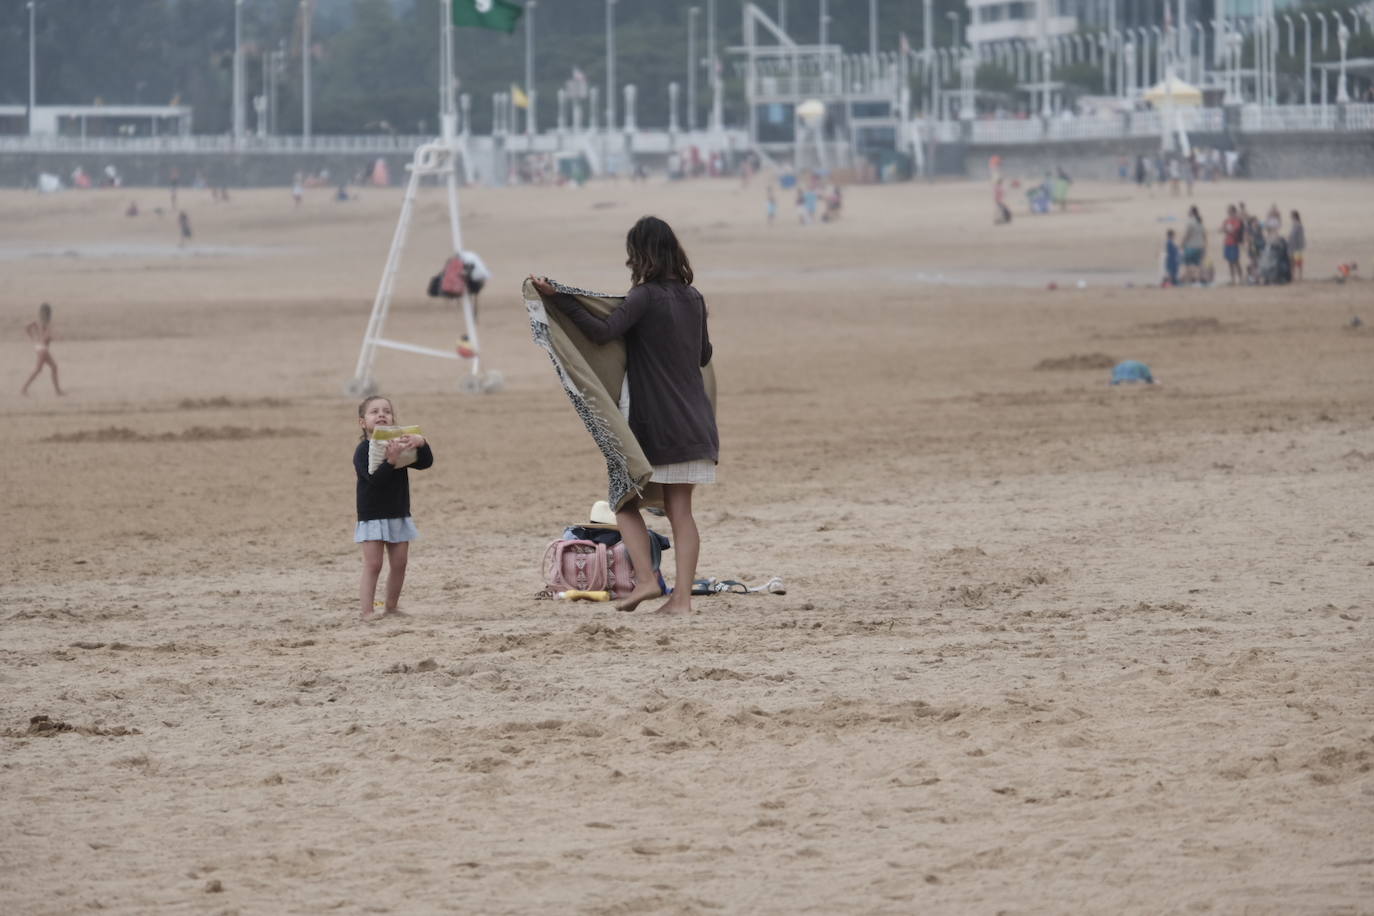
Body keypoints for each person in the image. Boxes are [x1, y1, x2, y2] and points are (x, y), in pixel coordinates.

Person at [529, 216, 718, 616]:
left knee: (622, 500)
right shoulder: (694, 297)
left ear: (640, 254)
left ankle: (647, 580)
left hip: (654, 421)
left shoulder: (644, 296)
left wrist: (560, 300)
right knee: (681, 512)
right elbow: (703, 356)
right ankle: (680, 600)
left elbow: (601, 332)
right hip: (695, 420)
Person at [354, 396, 432, 621]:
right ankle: (367, 612)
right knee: (374, 564)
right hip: (372, 515)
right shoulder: (363, 450)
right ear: (363, 422)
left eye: (386, 411)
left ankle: (391, 607)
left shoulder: (399, 444)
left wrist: (421, 442)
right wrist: (390, 460)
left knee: (400, 563)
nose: (381, 414)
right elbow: (374, 480)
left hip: (398, 512)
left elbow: (425, 463)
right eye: (374, 411)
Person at [21, 302, 64, 396]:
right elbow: (47, 336)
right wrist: (57, 338)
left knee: (52, 367)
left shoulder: (37, 321)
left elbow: (26, 327)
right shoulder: (46, 323)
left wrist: (32, 337)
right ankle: (24, 389)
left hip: (38, 347)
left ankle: (57, 391)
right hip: (43, 349)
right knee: (39, 369)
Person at [1181, 206, 1206, 284]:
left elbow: (1187, 234)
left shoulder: (1190, 222)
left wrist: (1182, 243)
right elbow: (1204, 235)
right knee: (1198, 264)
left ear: (1192, 212)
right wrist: (1204, 246)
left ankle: (1190, 279)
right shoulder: (1200, 222)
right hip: (1200, 246)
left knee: (1188, 264)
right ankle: (1200, 279)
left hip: (1191, 246)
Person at [1220, 205, 1244, 285]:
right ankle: (1233, 279)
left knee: (1236, 261)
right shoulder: (1227, 220)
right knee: (1230, 262)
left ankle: (1240, 278)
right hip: (1228, 242)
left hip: (1234, 242)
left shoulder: (1237, 220)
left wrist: (1227, 230)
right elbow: (1222, 229)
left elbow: (1235, 230)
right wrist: (1227, 230)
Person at [1288, 210, 1306, 281]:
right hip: (1294, 246)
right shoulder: (1296, 224)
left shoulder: (1298, 225)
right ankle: (1295, 276)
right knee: (1294, 263)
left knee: (1297, 263)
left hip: (1296, 247)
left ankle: (1298, 276)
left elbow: (1297, 236)